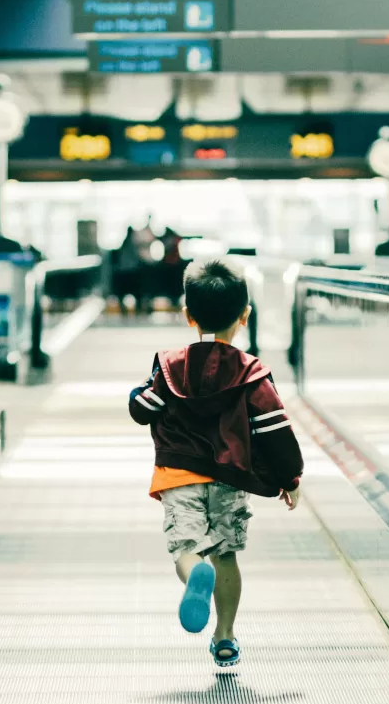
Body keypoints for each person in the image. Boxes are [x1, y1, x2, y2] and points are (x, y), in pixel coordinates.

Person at [128, 259, 303, 668]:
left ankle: (194, 576)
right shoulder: (252, 373)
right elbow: (275, 429)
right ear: (244, 316)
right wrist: (289, 477)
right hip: (229, 474)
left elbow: (142, 410)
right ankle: (224, 637)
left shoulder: (170, 366)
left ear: (188, 316)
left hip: (179, 474)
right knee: (226, 555)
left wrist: (139, 389)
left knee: (187, 550)